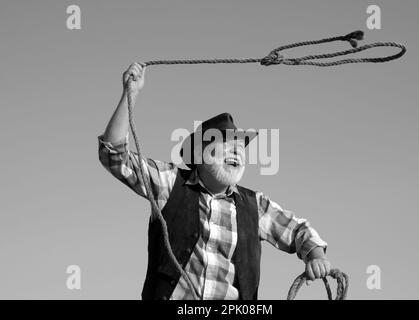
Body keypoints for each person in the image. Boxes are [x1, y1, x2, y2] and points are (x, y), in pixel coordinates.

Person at [98, 62, 330, 300]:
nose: (237, 152)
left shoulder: (256, 206)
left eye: (240, 148)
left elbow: (299, 230)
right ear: (199, 155)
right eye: (227, 145)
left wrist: (315, 255)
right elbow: (114, 156)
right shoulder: (170, 183)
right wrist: (130, 94)